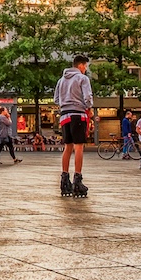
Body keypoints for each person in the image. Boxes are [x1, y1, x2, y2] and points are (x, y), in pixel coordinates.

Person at [53, 55, 93, 197]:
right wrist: (88, 106)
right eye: (85, 66)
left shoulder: (61, 80)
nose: (85, 69)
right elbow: (87, 97)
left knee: (68, 146)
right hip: (78, 114)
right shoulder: (83, 78)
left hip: (65, 115)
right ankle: (77, 180)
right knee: (79, 146)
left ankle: (64, 180)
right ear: (81, 65)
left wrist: (65, 104)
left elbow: (56, 99)